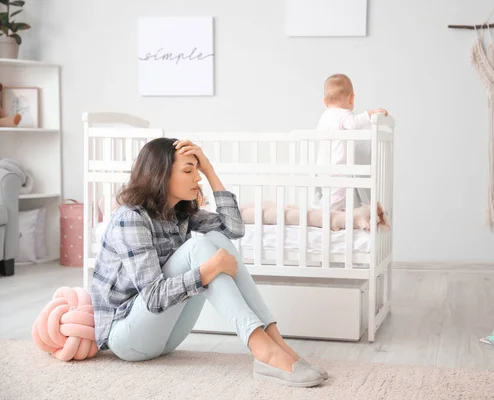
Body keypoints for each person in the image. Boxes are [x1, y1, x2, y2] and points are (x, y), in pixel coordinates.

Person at [90, 137, 326, 387]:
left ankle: (275, 341)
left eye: (198, 170)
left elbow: (233, 228)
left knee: (216, 238)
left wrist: (210, 169)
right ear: (160, 174)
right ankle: (261, 348)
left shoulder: (179, 213)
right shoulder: (131, 218)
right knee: (199, 247)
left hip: (165, 338)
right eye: (188, 170)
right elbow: (153, 297)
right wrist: (208, 270)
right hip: (127, 338)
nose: (197, 178)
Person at [314, 73, 388, 210]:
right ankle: (326, 217)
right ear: (352, 98)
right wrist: (370, 113)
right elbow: (354, 124)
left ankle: (324, 213)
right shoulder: (344, 114)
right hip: (339, 169)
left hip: (323, 168)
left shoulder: (324, 117)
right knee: (338, 198)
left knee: (329, 196)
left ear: (325, 102)